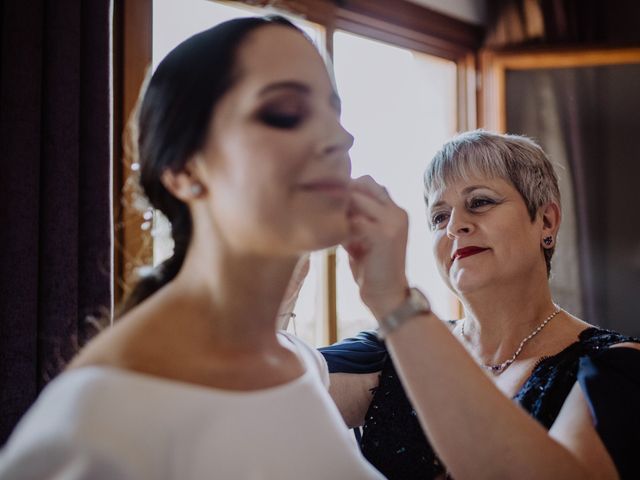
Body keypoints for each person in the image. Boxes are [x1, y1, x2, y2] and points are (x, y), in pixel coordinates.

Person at [0, 16, 384, 479]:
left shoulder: (294, 362)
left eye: (334, 113)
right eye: (284, 112)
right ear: (184, 170)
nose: (341, 138)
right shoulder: (99, 426)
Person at [320, 131, 640, 479]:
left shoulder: (614, 367)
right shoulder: (386, 355)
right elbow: (263, 395)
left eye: (480, 202)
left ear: (546, 221)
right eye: (439, 217)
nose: (455, 226)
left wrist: (395, 301)